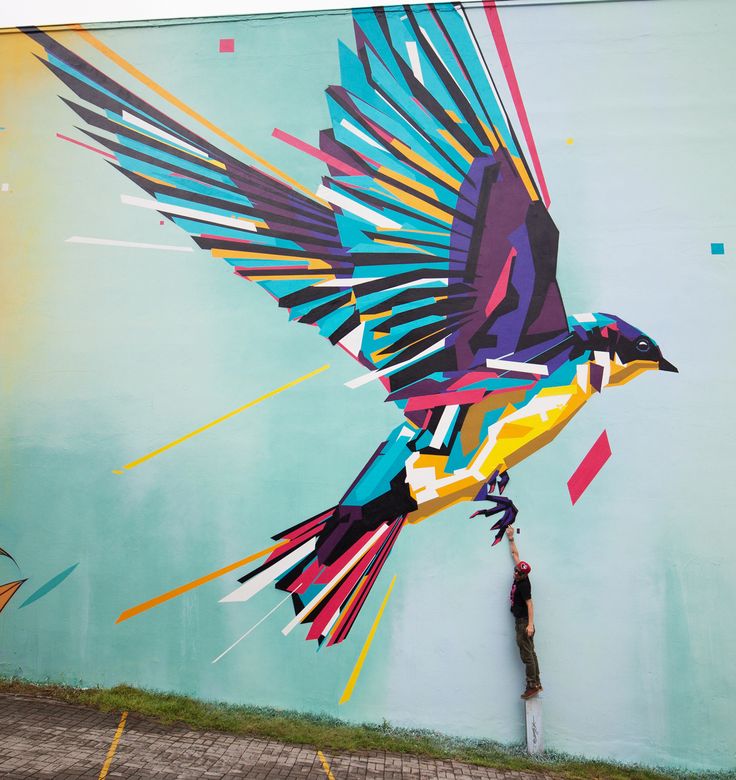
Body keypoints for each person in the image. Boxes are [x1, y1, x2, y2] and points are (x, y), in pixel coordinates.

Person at [506, 526, 542, 699]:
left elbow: (530, 604)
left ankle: (532, 685)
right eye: (515, 570)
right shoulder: (520, 572)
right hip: (521, 621)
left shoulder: (524, 584)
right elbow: (515, 555)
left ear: (523, 575)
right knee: (531, 652)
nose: (515, 573)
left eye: (517, 573)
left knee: (526, 654)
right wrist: (511, 538)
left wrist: (529, 625)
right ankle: (536, 682)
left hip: (523, 621)